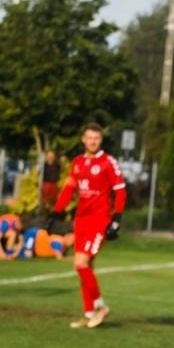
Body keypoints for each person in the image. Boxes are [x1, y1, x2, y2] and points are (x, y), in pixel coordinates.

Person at [51, 124, 126, 328]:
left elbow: (120, 191)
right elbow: (69, 189)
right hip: (81, 220)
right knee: (87, 267)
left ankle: (101, 307)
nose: (92, 141)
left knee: (80, 264)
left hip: (99, 219)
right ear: (83, 139)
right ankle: (89, 313)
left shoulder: (108, 162)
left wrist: (117, 218)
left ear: (100, 141)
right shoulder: (77, 163)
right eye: (89, 138)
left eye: (96, 138)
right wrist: (56, 212)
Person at [39, 149, 62, 217]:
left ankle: (53, 216)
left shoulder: (57, 165)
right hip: (46, 184)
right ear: (46, 156)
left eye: (52, 155)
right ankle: (44, 215)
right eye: (49, 155)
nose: (50, 157)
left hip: (54, 185)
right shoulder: (44, 166)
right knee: (45, 202)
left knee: (54, 202)